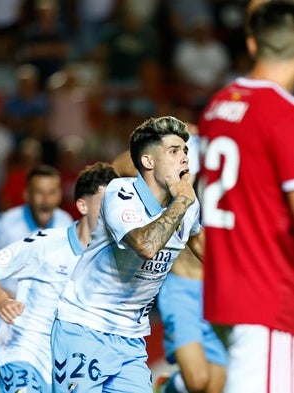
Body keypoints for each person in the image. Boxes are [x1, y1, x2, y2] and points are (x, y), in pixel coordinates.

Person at [51, 116, 202, 393]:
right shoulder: (120, 193)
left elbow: (213, 257)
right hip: (84, 327)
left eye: (185, 151)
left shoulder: (187, 206)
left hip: (130, 339)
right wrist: (182, 201)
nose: (184, 159)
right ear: (148, 162)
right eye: (173, 151)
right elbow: (145, 246)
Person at [198, 2, 294, 391]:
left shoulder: (217, 106)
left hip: (226, 289)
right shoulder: (282, 113)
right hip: (268, 295)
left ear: (253, 45)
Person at [0, 162, 119, 393]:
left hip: (66, 358)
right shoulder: (45, 243)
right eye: (106, 203)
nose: (113, 210)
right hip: (24, 348)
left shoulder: (111, 256)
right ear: (82, 205)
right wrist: (1, 299)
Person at [113, 125, 227, 393]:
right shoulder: (181, 176)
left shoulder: (238, 181)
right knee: (197, 382)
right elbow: (119, 168)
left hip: (216, 292)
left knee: (215, 387)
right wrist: (155, 140)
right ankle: (168, 387)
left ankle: (172, 385)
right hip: (182, 287)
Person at [0, 164, 73, 334]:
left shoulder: (65, 222)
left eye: (52, 192)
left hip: (43, 320)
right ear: (27, 195)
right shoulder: (5, 225)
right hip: (3, 319)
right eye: (39, 193)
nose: (46, 200)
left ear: (60, 195)